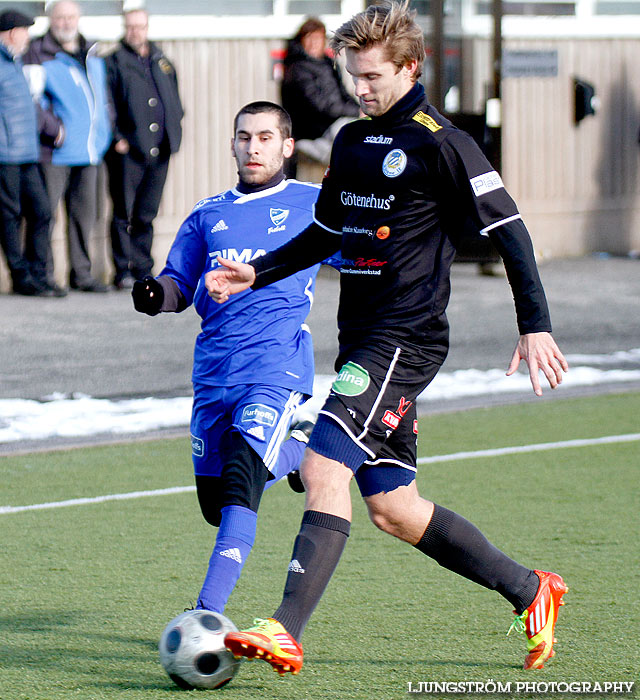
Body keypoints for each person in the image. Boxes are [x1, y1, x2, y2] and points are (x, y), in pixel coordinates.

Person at [206, 0, 570, 677]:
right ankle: (531, 589)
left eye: (371, 76)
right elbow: (325, 232)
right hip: (362, 338)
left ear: (410, 66)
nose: (359, 88)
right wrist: (256, 272)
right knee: (395, 509)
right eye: (351, 75)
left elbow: (511, 233)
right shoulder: (350, 140)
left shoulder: (442, 143)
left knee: (322, 467)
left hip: (405, 340)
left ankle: (286, 628)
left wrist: (535, 324)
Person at [132, 101, 337, 614]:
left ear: (288, 147)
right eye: (244, 137)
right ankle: (301, 448)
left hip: (275, 368)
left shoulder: (314, 206)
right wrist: (156, 295)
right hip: (214, 372)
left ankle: (207, 611)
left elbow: (367, 255)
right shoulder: (208, 214)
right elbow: (178, 281)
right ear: (232, 143)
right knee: (215, 504)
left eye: (266, 137)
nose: (253, 147)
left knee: (242, 477)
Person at [24, 0, 111, 293]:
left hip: (89, 153)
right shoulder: (38, 52)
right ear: (50, 20)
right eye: (60, 17)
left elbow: (103, 99)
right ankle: (45, 275)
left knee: (84, 217)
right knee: (45, 216)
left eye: (71, 17)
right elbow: (31, 99)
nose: (66, 22)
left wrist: (105, 132)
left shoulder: (93, 53)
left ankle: (82, 275)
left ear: (79, 18)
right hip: (55, 152)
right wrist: (53, 129)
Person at [105, 8, 183, 290]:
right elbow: (107, 102)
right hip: (129, 149)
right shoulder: (114, 61)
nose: (135, 32)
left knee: (146, 213)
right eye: (130, 27)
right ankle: (122, 269)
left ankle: (142, 267)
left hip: (159, 148)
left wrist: (174, 126)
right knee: (124, 212)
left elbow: (174, 98)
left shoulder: (161, 60)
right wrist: (117, 137)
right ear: (124, 28)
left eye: (140, 26)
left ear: (147, 27)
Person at [0, 9, 59, 297]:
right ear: (13, 33)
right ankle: (21, 278)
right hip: (4, 156)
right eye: (25, 31)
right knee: (9, 217)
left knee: (42, 212)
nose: (28, 38)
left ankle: (39, 273)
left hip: (27, 155)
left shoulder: (15, 62)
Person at [281, 17, 359, 168]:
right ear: (301, 40)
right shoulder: (297, 68)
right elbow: (319, 105)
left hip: (335, 120)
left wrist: (361, 109)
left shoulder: (328, 64)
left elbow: (344, 93)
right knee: (348, 132)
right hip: (314, 130)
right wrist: (355, 112)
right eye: (309, 38)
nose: (313, 43)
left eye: (318, 38)